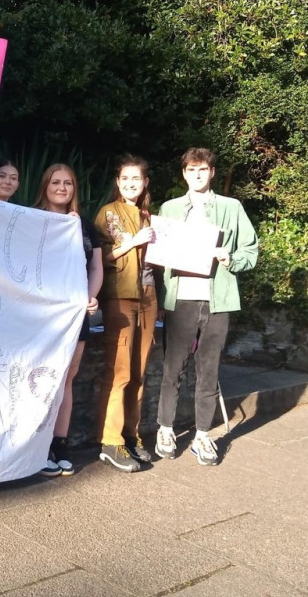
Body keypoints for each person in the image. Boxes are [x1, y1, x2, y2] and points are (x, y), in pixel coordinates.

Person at [153, 147, 258, 466]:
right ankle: (165, 429)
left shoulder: (231, 207)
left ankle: (202, 435)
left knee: (209, 370)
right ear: (183, 173)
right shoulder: (170, 209)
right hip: (180, 298)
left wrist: (232, 259)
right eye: (190, 170)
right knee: (173, 368)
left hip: (217, 299)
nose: (196, 175)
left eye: (202, 170)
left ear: (212, 172)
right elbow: (158, 258)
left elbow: (250, 250)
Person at [32, 164, 103, 477]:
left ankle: (60, 444)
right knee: (39, 378)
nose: (62, 188)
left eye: (68, 183)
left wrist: (91, 295)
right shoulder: (30, 218)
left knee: (66, 379)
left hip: (75, 314)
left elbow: (96, 268)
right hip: (42, 315)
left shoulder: (86, 227)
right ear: (45, 185)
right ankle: (37, 445)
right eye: (55, 182)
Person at [93, 155, 156, 472]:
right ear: (118, 182)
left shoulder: (148, 216)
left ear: (145, 182)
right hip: (119, 295)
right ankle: (109, 440)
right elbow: (100, 257)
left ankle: (131, 435)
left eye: (137, 178)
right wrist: (133, 243)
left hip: (148, 296)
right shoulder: (108, 213)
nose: (131, 183)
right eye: (124, 178)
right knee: (119, 372)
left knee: (139, 372)